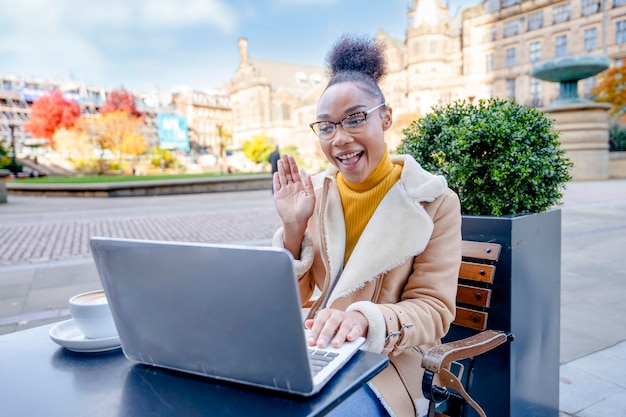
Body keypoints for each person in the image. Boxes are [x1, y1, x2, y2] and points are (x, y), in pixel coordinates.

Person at [271, 34, 462, 417]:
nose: (340, 139)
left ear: (385, 117)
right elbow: (291, 299)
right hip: (317, 347)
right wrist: (294, 228)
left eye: (355, 119)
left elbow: (435, 310)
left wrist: (364, 319)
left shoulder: (435, 202)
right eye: (326, 126)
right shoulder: (318, 194)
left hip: (390, 360)